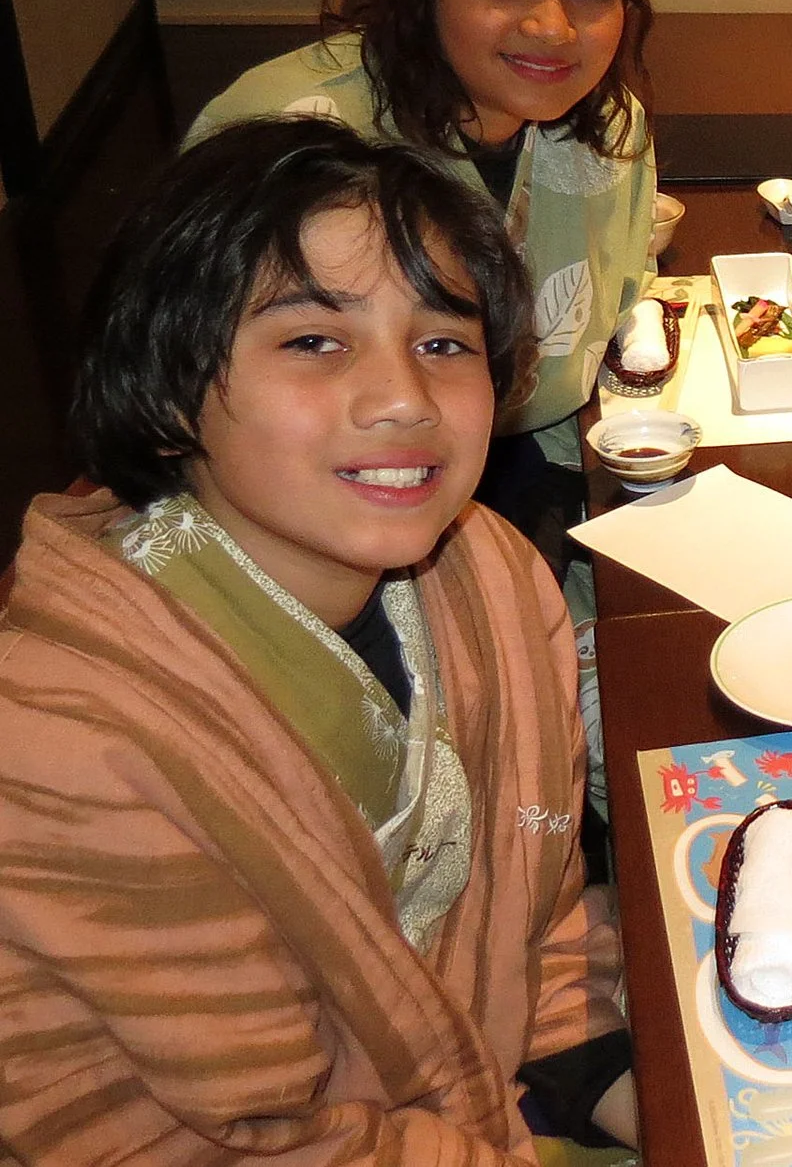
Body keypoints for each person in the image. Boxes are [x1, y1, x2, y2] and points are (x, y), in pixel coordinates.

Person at [0, 118, 637, 1157]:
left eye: (443, 343)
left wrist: (610, 1080)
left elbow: (540, 915)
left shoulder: (493, 581)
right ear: (167, 390)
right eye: (312, 341)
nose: (402, 399)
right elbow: (236, 1141)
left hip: (482, 1106)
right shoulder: (67, 742)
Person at [189, 0, 656, 557]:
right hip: (319, 505)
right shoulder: (285, 134)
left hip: (530, 470)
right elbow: (183, 380)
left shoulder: (610, 132)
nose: (552, 26)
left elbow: (618, 308)